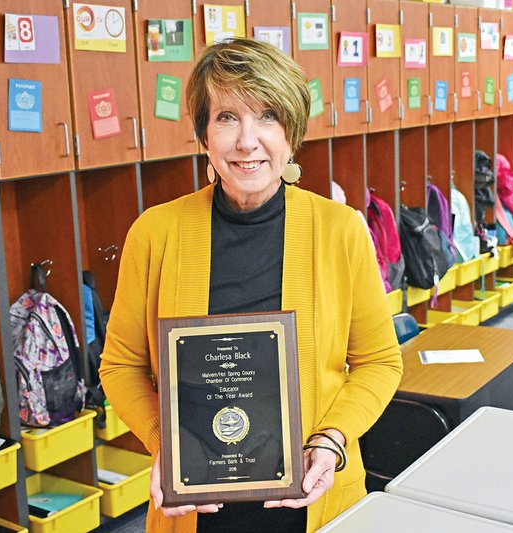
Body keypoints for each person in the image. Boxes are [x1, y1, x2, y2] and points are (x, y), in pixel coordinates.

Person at [99, 38, 403, 533]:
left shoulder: (340, 230)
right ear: (203, 133)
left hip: (313, 501)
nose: (246, 141)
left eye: (267, 117)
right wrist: (166, 445)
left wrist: (332, 440)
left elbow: (379, 361)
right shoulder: (155, 233)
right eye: (226, 117)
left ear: (292, 132)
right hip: (194, 509)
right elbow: (122, 365)